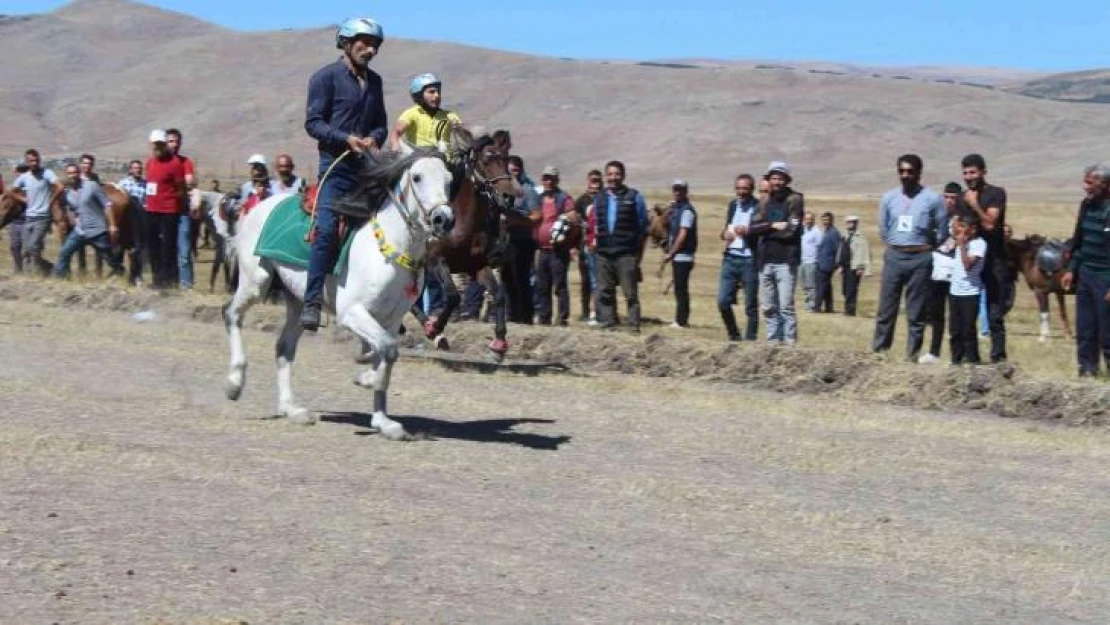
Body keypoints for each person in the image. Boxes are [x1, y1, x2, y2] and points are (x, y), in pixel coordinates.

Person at [301, 16, 389, 330]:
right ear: (347, 43)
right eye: (364, 43)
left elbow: (381, 124)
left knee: (390, 229)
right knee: (326, 230)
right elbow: (314, 123)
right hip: (335, 169)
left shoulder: (376, 82)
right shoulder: (324, 78)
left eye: (375, 45)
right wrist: (344, 138)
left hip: (366, 170)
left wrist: (374, 139)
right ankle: (311, 301)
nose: (371, 50)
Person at [872, 154, 946, 361]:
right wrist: (896, 243)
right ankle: (879, 353)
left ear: (919, 173)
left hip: (920, 258)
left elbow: (942, 229)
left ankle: (911, 356)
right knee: (886, 309)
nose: (905, 175)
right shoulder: (888, 198)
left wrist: (928, 247)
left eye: (910, 171)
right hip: (895, 256)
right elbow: (883, 228)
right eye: (901, 171)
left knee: (916, 312)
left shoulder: (932, 199)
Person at [1060, 163, 1110, 378]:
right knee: (1085, 328)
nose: (1085, 187)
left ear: (1105, 185)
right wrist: (1072, 269)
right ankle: (1087, 372)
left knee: (1107, 332)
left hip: (1106, 276)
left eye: (1090, 183)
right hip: (1086, 274)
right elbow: (1079, 241)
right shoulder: (1086, 206)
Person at [961, 154, 1010, 362]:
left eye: (973, 172)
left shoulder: (996, 194)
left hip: (993, 260)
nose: (969, 177)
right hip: (971, 260)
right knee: (967, 310)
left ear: (983, 172)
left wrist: (974, 205)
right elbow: (959, 226)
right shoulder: (964, 197)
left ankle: (998, 357)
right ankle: (970, 357)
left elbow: (990, 224)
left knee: (994, 312)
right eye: (965, 173)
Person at [749, 162, 805, 345]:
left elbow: (791, 230)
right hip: (765, 259)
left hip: (786, 260)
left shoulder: (795, 199)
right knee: (768, 306)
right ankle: (773, 342)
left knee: (786, 306)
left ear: (787, 180)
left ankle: (789, 344)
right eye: (773, 178)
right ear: (768, 180)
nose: (777, 182)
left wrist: (765, 229)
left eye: (780, 178)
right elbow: (752, 228)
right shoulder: (764, 201)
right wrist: (772, 225)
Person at [590, 160, 649, 332]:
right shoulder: (599, 198)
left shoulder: (634, 197)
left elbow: (642, 226)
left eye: (617, 174)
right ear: (605, 176)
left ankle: (633, 326)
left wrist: (637, 253)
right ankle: (608, 324)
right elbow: (595, 223)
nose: (613, 178)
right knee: (604, 291)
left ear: (623, 176)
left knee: (630, 293)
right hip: (603, 253)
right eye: (610, 174)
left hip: (626, 253)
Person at [53, 163, 123, 278]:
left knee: (109, 258)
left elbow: (107, 204)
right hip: (80, 231)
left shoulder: (91, 186)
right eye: (69, 173)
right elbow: (71, 210)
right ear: (67, 175)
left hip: (97, 230)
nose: (72, 176)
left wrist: (112, 225)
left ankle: (120, 271)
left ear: (79, 173)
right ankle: (59, 278)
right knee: (64, 252)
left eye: (74, 172)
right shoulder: (67, 194)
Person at [919, 181, 963, 363]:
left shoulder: (964, 218)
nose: (950, 201)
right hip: (936, 269)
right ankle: (934, 352)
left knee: (956, 315)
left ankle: (957, 355)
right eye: (947, 197)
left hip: (957, 269)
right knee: (935, 313)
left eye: (953, 198)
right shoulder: (935, 216)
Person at [532, 166, 578, 325]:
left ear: (557, 180)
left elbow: (573, 221)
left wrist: (568, 242)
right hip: (541, 250)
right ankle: (544, 317)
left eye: (551, 178)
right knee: (542, 286)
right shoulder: (537, 199)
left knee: (560, 285)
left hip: (558, 251)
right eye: (545, 178)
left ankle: (562, 318)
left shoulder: (564, 199)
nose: (548, 181)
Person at [143, 129, 188, 289]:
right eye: (155, 144)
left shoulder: (174, 163)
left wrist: (177, 203)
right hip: (151, 209)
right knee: (152, 245)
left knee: (168, 246)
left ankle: (169, 281)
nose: (158, 147)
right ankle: (157, 279)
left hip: (169, 210)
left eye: (161, 144)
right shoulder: (149, 163)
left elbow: (181, 187)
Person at [718, 173, 760, 341]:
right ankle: (734, 335)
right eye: (738, 188)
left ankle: (750, 340)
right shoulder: (733, 205)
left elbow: (763, 231)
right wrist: (724, 235)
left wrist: (749, 231)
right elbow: (725, 229)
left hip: (749, 259)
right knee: (723, 301)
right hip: (730, 257)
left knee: (750, 305)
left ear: (752, 189)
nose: (741, 192)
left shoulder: (759, 207)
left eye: (745, 188)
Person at [12, 149, 64, 275]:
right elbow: (11, 191)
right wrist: (23, 199)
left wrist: (51, 201)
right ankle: (39, 272)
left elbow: (60, 187)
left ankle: (52, 270)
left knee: (33, 248)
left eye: (36, 160)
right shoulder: (24, 177)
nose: (34, 163)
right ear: (27, 162)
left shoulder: (47, 173)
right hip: (29, 217)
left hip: (43, 217)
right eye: (31, 161)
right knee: (25, 250)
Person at [504, 154, 540, 323]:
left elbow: (537, 216)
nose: (514, 173)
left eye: (517, 170)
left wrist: (516, 220)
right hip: (504, 243)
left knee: (522, 280)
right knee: (507, 280)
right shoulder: (501, 191)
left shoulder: (528, 191)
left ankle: (526, 317)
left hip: (522, 242)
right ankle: (511, 315)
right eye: (511, 170)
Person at [948, 212, 987, 366]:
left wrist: (963, 245)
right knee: (955, 330)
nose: (961, 230)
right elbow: (953, 226)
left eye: (965, 227)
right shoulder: (958, 239)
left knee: (968, 330)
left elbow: (968, 265)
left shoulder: (979, 244)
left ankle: (972, 360)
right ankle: (956, 360)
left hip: (970, 293)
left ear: (973, 229)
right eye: (961, 226)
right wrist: (957, 222)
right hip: (955, 291)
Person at [389, 73, 461, 151]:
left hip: (445, 159)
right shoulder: (411, 113)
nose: (437, 95)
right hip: (417, 158)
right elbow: (396, 132)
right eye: (431, 92)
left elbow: (465, 138)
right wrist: (395, 148)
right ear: (419, 96)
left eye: (438, 92)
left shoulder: (450, 116)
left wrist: (459, 129)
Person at [662, 179, 697, 329]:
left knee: (681, 289)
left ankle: (681, 320)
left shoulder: (687, 211)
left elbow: (682, 234)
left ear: (685, 191)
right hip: (678, 255)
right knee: (679, 287)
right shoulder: (676, 209)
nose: (677, 192)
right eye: (675, 189)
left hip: (684, 255)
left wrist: (671, 252)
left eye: (680, 190)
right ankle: (680, 319)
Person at [574, 169, 602, 324]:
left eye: (597, 180)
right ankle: (586, 312)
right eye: (592, 180)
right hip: (584, 246)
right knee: (586, 281)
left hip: (600, 246)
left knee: (602, 281)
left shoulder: (604, 198)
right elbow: (575, 224)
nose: (595, 183)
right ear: (588, 181)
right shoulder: (581, 201)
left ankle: (602, 311)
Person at [117, 160, 148, 286]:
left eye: (140, 168)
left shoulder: (146, 184)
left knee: (137, 250)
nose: (138, 170)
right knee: (119, 249)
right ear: (130, 170)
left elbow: (148, 201)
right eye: (135, 168)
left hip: (140, 221)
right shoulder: (122, 184)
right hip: (126, 222)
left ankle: (136, 275)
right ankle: (118, 274)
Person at [837, 215, 870, 316]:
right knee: (845, 289)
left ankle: (850, 311)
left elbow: (863, 253)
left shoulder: (860, 238)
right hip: (845, 267)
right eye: (849, 222)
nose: (850, 224)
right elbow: (841, 251)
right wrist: (840, 264)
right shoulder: (845, 236)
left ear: (856, 224)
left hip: (854, 267)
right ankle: (847, 309)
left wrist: (861, 267)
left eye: (853, 222)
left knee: (851, 290)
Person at [814, 211, 841, 313]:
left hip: (827, 263)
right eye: (824, 219)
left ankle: (817, 307)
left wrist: (837, 263)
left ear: (831, 220)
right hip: (822, 262)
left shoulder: (834, 232)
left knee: (821, 286)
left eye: (827, 220)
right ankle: (829, 307)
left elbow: (838, 248)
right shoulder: (825, 231)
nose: (825, 221)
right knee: (826, 286)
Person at [799, 212, 820, 311]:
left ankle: (812, 305)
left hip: (811, 261)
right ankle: (807, 303)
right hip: (802, 261)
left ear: (813, 220)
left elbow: (820, 247)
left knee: (811, 285)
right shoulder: (802, 230)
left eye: (810, 219)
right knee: (804, 284)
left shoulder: (817, 232)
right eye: (806, 219)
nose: (808, 221)